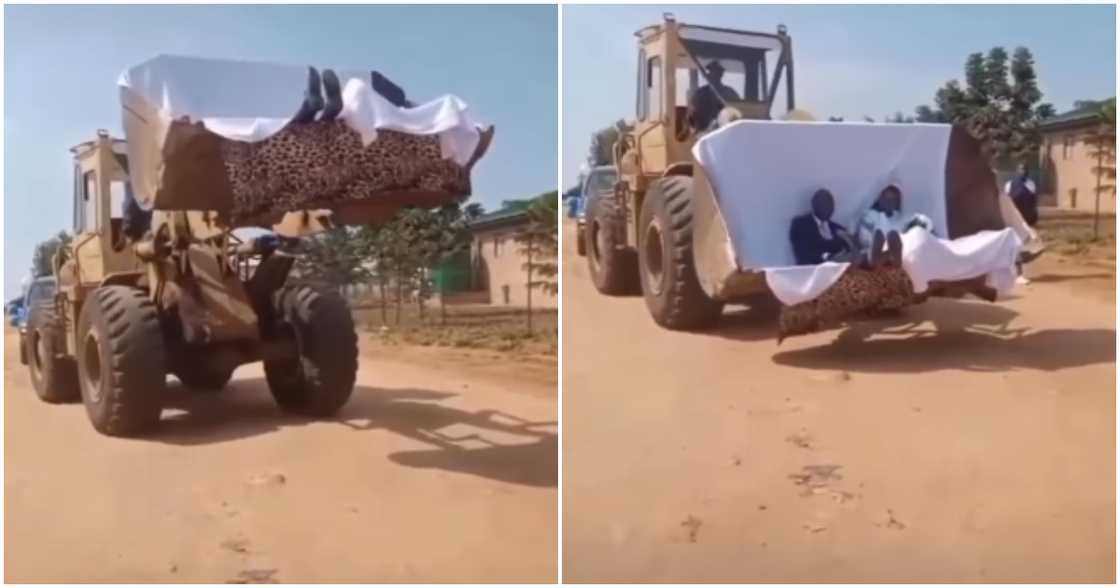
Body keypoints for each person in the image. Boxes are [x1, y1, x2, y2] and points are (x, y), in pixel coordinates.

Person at [857, 184, 934, 268]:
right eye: (886, 198)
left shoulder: (898, 218)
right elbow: (863, 235)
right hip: (870, 249)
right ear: (879, 199)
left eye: (892, 199)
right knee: (878, 235)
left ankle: (891, 257)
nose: (888, 202)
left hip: (892, 251)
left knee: (894, 236)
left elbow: (920, 223)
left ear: (897, 202)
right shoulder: (870, 214)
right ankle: (879, 257)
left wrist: (920, 224)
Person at [789, 188, 856, 265]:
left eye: (831, 205)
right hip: (811, 272)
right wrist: (829, 257)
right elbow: (804, 255)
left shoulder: (838, 229)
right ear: (813, 205)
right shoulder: (800, 225)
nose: (829, 208)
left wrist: (850, 242)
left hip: (837, 272)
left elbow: (850, 251)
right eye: (824, 204)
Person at [1003, 164, 1045, 285]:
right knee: (1017, 246)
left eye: (1025, 169)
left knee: (1033, 244)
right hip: (1014, 220)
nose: (1023, 171)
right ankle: (1018, 274)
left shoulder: (1031, 184)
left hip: (1026, 219)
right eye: (1021, 169)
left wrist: (1034, 217)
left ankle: (1015, 271)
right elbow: (1007, 202)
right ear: (1016, 170)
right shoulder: (1009, 184)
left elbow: (1034, 201)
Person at [687, 61, 742, 132]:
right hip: (702, 133)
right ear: (708, 75)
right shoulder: (700, 94)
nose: (714, 75)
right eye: (712, 72)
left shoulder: (730, 93)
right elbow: (692, 116)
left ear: (721, 75)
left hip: (726, 132)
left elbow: (737, 116)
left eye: (717, 73)